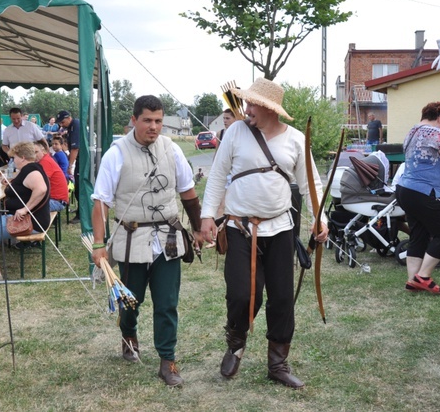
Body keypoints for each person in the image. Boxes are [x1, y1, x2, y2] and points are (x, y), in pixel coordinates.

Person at [200, 78, 327, 390]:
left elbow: (312, 183)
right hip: (239, 228)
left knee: (282, 298)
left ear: (270, 109)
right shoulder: (236, 132)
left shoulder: (296, 140)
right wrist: (206, 217)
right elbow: (217, 175)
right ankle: (235, 344)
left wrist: (320, 219)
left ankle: (278, 364)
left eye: (252, 104)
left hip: (281, 228)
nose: (246, 108)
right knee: (242, 294)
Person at [91, 95, 203, 387]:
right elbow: (101, 202)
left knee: (167, 302)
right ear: (134, 120)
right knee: (131, 301)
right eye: (147, 121)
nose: (154, 127)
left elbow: (188, 192)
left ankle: (168, 361)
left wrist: (200, 227)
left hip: (168, 238)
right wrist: (99, 244)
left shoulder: (172, 149)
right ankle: (129, 335)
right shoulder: (116, 153)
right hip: (131, 238)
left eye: (158, 121)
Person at [395, 101, 440, 295]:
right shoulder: (436, 133)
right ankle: (423, 277)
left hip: (405, 189)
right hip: (425, 190)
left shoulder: (412, 131)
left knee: (419, 234)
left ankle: (411, 281)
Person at [0, 142, 50, 282]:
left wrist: (25, 209)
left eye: (14, 157)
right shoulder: (30, 169)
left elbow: (41, 189)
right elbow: (25, 187)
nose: (13, 160)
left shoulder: (31, 171)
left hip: (31, 222)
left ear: (22, 157)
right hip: (33, 219)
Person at [33, 139, 69, 212]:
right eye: (32, 153)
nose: (34, 155)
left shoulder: (45, 162)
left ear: (43, 151)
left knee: (25, 206)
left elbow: (39, 185)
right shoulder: (45, 159)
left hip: (57, 202)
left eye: (36, 152)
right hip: (56, 200)